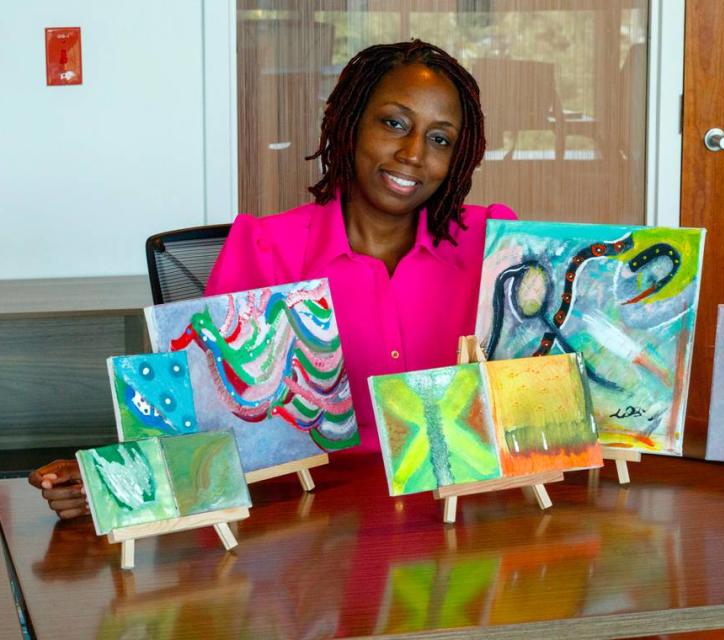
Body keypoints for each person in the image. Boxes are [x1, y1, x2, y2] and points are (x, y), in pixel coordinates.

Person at [29, 40, 517, 519]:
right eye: (394, 123)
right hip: (307, 526)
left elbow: (538, 402)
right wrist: (111, 480)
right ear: (349, 125)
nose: (413, 152)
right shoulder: (265, 249)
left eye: (439, 139)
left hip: (461, 516)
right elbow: (203, 426)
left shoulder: (494, 248)